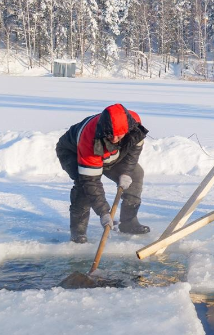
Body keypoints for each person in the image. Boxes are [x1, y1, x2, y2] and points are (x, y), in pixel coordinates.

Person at [55, 104, 150, 243]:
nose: (116, 139)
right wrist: (104, 213)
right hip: (74, 152)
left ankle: (129, 223)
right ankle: (78, 232)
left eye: (120, 135)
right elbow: (90, 181)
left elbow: (134, 151)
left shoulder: (135, 125)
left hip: (111, 155)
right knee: (83, 188)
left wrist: (126, 172)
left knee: (136, 174)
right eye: (112, 135)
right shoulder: (89, 138)